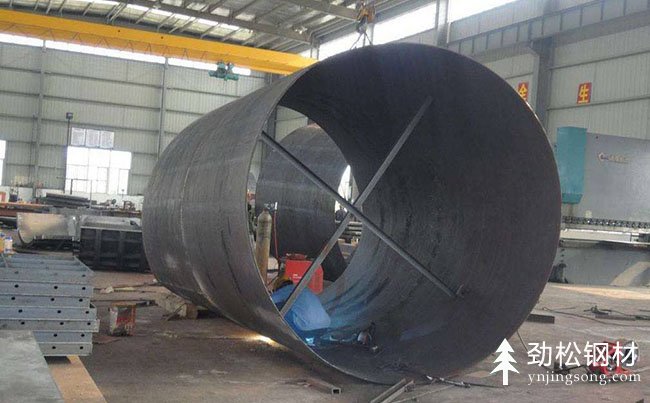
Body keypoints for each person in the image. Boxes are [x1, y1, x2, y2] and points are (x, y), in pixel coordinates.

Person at [271, 276, 331, 345]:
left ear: (278, 287)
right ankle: (314, 341)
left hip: (306, 329)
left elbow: (269, 301)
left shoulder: (284, 290)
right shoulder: (304, 289)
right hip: (324, 327)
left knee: (280, 308)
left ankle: (290, 339)